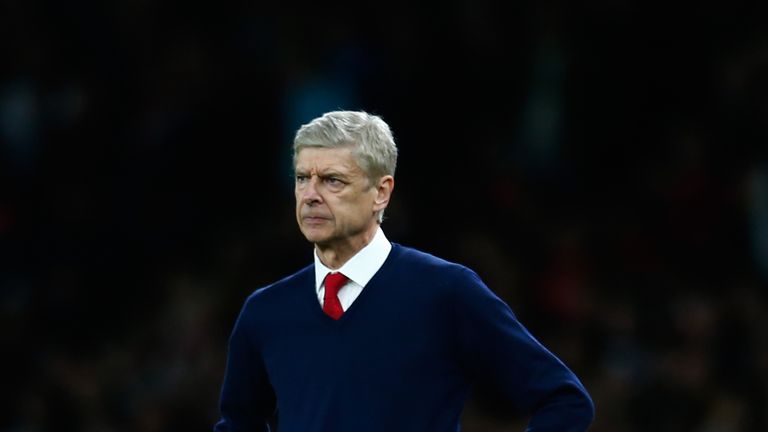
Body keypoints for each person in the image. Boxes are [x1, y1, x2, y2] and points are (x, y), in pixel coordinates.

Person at [213, 110, 594, 431]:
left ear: (381, 192)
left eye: (332, 180)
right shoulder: (265, 312)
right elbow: (238, 422)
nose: (310, 194)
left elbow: (564, 400)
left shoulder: (445, 292)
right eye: (302, 178)